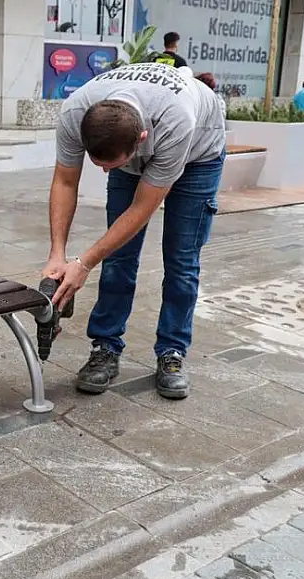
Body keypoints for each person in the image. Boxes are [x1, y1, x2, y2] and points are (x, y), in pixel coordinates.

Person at [43, 62, 226, 399]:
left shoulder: (176, 121)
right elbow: (66, 180)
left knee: (181, 259)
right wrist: (58, 253)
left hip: (200, 151)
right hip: (136, 136)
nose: (101, 172)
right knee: (118, 258)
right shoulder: (75, 111)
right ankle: (105, 347)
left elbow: (143, 207)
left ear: (141, 141)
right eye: (96, 163)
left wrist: (83, 263)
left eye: (108, 167)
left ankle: (172, 352)